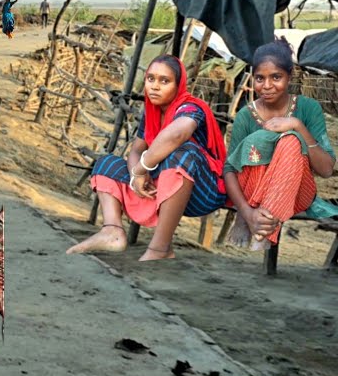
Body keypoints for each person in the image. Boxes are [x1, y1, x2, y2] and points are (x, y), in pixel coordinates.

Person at [68, 55, 227, 261]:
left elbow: (177, 134)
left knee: (183, 152)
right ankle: (112, 231)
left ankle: (160, 248)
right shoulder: (151, 113)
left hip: (202, 191)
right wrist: (136, 177)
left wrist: (143, 168)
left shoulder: (190, 108)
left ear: (179, 85)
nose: (155, 86)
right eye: (150, 79)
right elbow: (135, 151)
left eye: (164, 81)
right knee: (106, 163)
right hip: (161, 186)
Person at [223, 39, 335, 247]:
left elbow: (326, 170)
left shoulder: (308, 108)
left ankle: (264, 225)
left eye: (276, 77)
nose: (267, 86)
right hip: (251, 191)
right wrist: (246, 212)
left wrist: (297, 125)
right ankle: (258, 220)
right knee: (260, 140)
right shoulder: (246, 116)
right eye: (259, 78)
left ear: (290, 76)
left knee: (290, 141)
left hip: (297, 191)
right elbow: (230, 169)